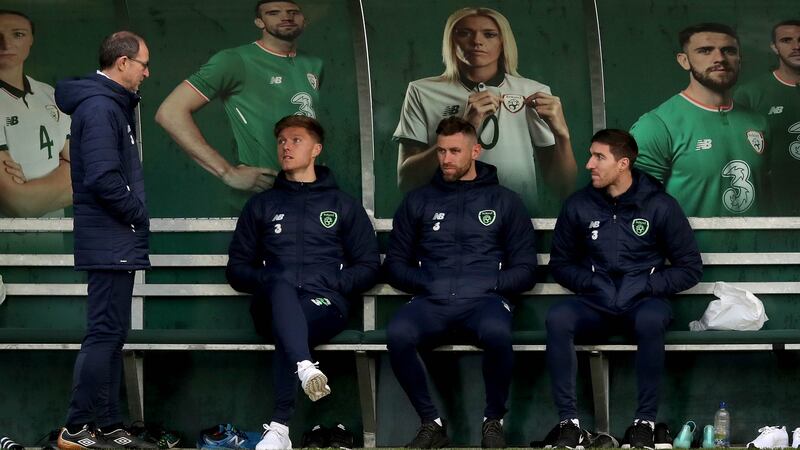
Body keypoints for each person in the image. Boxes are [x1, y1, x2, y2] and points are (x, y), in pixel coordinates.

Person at [226, 116, 379, 450]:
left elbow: (369, 265)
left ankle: (280, 429)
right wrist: (268, 277)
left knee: (290, 327)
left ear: (316, 150)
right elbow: (236, 269)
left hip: (324, 305)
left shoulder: (342, 205)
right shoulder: (262, 205)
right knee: (281, 288)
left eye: (296, 140)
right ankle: (304, 367)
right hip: (269, 306)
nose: (286, 146)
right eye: (281, 140)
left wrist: (336, 282)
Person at [384, 116, 538, 448]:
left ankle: (493, 421)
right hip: (432, 301)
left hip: (483, 302)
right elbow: (395, 265)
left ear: (476, 151)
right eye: (441, 151)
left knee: (498, 334)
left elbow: (526, 269)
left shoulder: (504, 201)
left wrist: (488, 284)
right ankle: (431, 423)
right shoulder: (419, 201)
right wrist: (427, 283)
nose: (446, 159)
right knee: (397, 334)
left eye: (455, 151)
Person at [545, 129, 702, 449]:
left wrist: (646, 284)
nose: (589, 163)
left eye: (599, 157)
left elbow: (690, 268)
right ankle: (569, 424)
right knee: (558, 318)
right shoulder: (578, 205)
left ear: (623, 163)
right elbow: (560, 264)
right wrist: (592, 282)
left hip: (642, 301)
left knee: (650, 321)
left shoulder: (659, 205)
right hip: (596, 302)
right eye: (590, 155)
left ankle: (643, 423)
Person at [54, 31, 155, 449]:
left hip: (114, 239)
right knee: (103, 334)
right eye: (143, 64)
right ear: (121, 63)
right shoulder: (99, 106)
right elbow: (101, 178)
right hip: (110, 238)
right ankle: (75, 429)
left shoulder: (109, 104)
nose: (147, 73)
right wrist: (138, 215)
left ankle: (110, 426)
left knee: (113, 335)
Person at [393, 6, 576, 214]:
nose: (476, 41)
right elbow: (407, 182)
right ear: (451, 41)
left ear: (503, 43)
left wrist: (563, 135)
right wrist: (464, 128)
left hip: (514, 217)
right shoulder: (422, 91)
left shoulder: (533, 92)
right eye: (464, 33)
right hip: (446, 217)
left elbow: (563, 187)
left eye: (489, 34)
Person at [156, 0, 321, 212]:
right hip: (261, 201)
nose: (286, 17)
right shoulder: (234, 60)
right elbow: (170, 112)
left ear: (304, 20)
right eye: (274, 13)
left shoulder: (314, 64)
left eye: (293, 12)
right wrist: (227, 172)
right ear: (259, 22)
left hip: (308, 196)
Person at [631, 23, 769, 217]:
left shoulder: (758, 122)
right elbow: (637, 211)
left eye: (728, 51)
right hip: (692, 247)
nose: (719, 58)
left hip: (756, 246)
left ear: (739, 59)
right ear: (684, 60)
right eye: (705, 51)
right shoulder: (656, 125)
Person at [0, 9, 71, 217]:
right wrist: (68, 177)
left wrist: (30, 194)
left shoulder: (49, 94)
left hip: (53, 238)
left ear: (31, 39)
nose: (6, 44)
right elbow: (20, 205)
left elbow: (89, 172)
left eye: (18, 34)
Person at [735, 20, 800, 215]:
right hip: (775, 204)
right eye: (786, 40)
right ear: (774, 47)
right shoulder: (750, 93)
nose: (796, 46)